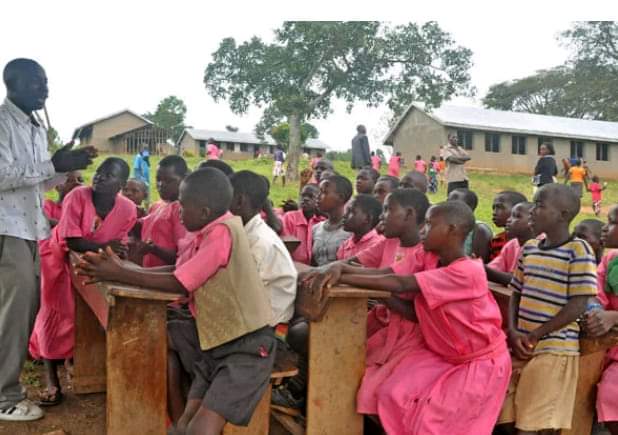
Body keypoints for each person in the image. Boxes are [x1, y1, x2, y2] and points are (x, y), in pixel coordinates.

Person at [76, 168, 274, 434]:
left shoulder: (222, 233)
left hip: (245, 346)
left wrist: (120, 273)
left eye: (183, 206)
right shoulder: (208, 230)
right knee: (186, 423)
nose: (178, 212)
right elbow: (179, 270)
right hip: (216, 342)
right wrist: (125, 270)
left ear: (203, 211)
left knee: (201, 429)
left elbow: (181, 282)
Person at [308, 201, 511, 434]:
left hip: (477, 362)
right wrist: (341, 269)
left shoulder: (466, 272)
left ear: (452, 230)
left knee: (434, 422)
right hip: (443, 353)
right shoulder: (428, 256)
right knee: (390, 393)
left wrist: (341, 274)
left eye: (430, 224)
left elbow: (400, 283)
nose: (423, 230)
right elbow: (387, 273)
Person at [0, 58, 96, 422]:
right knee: (13, 313)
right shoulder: (2, 122)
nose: (45, 89)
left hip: (31, 227)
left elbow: (37, 180)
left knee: (22, 310)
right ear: (13, 84)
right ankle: (4, 398)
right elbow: (2, 175)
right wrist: (52, 166)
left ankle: (6, 387)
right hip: (7, 228)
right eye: (36, 82)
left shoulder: (36, 127)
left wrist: (65, 169)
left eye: (46, 82)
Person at [29, 158, 136, 408]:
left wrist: (108, 250)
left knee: (87, 311)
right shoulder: (77, 196)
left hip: (92, 262)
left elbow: (120, 247)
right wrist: (105, 246)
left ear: (120, 184)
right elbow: (72, 240)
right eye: (98, 172)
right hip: (58, 255)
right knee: (54, 312)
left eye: (108, 175)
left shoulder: (128, 209)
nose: (99, 177)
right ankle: (51, 379)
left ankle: (80, 363)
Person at [497, 183, 598, 434]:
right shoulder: (530, 248)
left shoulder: (578, 250)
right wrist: (513, 330)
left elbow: (578, 304)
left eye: (540, 206)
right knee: (504, 417)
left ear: (563, 214)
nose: (532, 211)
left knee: (531, 424)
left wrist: (537, 334)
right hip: (523, 343)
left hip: (554, 349)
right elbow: (516, 292)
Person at [229, 170, 297, 329]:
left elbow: (240, 292)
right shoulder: (247, 232)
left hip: (268, 327)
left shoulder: (259, 241)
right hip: (253, 318)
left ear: (239, 201)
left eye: (225, 198)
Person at [585, 204, 618, 435]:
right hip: (610, 348)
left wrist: (614, 316)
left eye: (612, 222)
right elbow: (593, 292)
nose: (605, 228)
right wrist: (596, 310)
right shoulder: (611, 260)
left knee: (612, 392)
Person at [135, 155, 189, 267]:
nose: (161, 185)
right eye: (158, 179)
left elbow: (183, 256)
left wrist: (154, 249)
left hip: (165, 274)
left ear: (184, 179)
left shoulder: (182, 210)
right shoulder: (157, 205)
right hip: (148, 272)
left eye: (169, 180)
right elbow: (143, 229)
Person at [485, 201, 535, 286]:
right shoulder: (512, 244)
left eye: (517, 216)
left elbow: (519, 281)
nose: (509, 220)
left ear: (533, 221)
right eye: (511, 216)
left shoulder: (538, 246)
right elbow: (495, 268)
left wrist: (484, 270)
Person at [312, 175, 353, 266]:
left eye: (324, 192)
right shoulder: (316, 229)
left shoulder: (351, 231)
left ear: (341, 197)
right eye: (319, 191)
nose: (318, 196)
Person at [280, 184, 325, 265]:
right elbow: (287, 244)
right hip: (292, 265)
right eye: (303, 196)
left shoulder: (322, 221)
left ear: (319, 199)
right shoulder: (290, 217)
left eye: (311, 196)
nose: (305, 199)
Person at [448, 188, 493, 263]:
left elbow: (479, 264)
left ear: (470, 207)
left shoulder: (479, 230)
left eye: (455, 203)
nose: (449, 206)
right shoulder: (448, 227)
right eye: (448, 202)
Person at [336, 194, 383, 260]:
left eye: (351, 211)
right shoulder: (345, 245)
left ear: (367, 218)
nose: (344, 215)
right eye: (346, 211)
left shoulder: (379, 244)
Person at [490, 191, 528, 261]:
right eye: (493, 208)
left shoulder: (529, 242)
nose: (494, 213)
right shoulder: (497, 240)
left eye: (500, 207)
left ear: (517, 209)